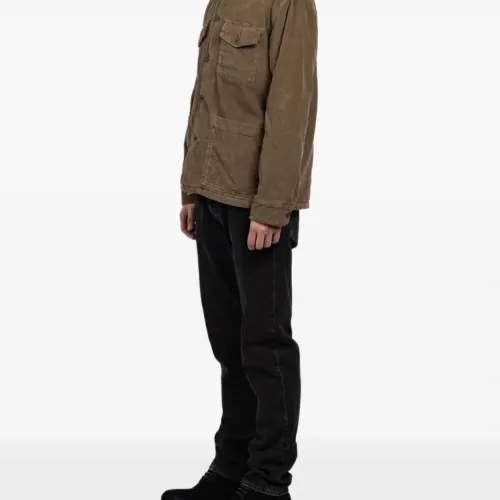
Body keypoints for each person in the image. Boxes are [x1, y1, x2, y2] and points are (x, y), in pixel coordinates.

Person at [162, 0, 317, 498]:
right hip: (212, 194)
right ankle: (232, 467)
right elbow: (202, 99)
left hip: (256, 205)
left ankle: (268, 481)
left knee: (264, 345)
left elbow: (292, 106)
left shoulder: (289, 3)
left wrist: (272, 206)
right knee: (228, 342)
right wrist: (191, 188)